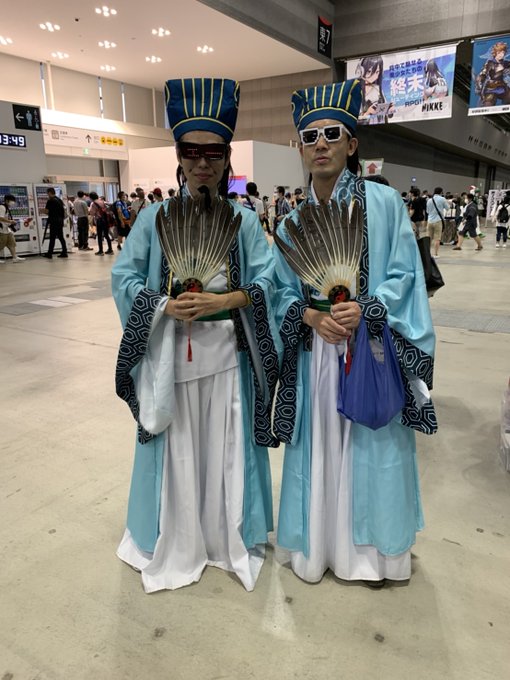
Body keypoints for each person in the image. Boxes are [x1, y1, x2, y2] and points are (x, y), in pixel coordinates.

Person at [111, 77, 282, 593]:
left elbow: (269, 281)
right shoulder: (154, 218)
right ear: (179, 157)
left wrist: (226, 301)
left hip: (228, 358)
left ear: (226, 159)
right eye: (192, 152)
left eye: (213, 153)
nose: (202, 163)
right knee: (178, 446)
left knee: (225, 446)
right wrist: (162, 304)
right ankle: (178, 537)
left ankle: (224, 535)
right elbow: (124, 277)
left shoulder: (243, 222)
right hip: (170, 356)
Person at [272, 79, 436, 587]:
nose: (320, 144)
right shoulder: (292, 222)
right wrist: (309, 316)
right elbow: (278, 292)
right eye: (310, 136)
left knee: (372, 444)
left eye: (332, 134)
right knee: (321, 446)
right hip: (317, 353)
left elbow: (406, 273)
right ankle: (319, 548)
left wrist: (367, 309)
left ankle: (372, 554)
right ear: (300, 147)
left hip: (370, 347)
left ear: (352, 143)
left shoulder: (383, 204)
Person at [43, 188, 68, 259]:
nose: (47, 195)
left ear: (49, 193)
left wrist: (42, 211)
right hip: (60, 221)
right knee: (61, 237)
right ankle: (64, 252)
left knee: (52, 237)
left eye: (47, 193)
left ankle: (49, 253)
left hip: (54, 221)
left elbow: (46, 211)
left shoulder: (50, 201)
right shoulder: (59, 200)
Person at [0, 194, 25, 262]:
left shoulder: (6, 207)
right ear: (6, 200)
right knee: (1, 244)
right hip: (1, 230)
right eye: (11, 200)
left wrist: (11, 222)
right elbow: (0, 218)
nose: (13, 202)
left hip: (7, 229)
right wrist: (10, 221)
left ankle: (14, 257)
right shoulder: (2, 207)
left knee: (12, 243)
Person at [426, 188, 449, 257]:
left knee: (429, 238)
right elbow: (447, 208)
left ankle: (427, 253)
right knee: (437, 238)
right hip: (438, 220)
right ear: (441, 192)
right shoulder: (442, 199)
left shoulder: (429, 200)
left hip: (430, 221)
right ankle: (435, 254)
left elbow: (427, 211)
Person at [89, 191, 113, 256]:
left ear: (91, 197)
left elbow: (92, 213)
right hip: (105, 219)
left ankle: (101, 251)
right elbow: (108, 207)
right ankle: (110, 250)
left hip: (99, 220)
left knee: (99, 236)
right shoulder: (102, 201)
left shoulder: (93, 203)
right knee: (106, 235)